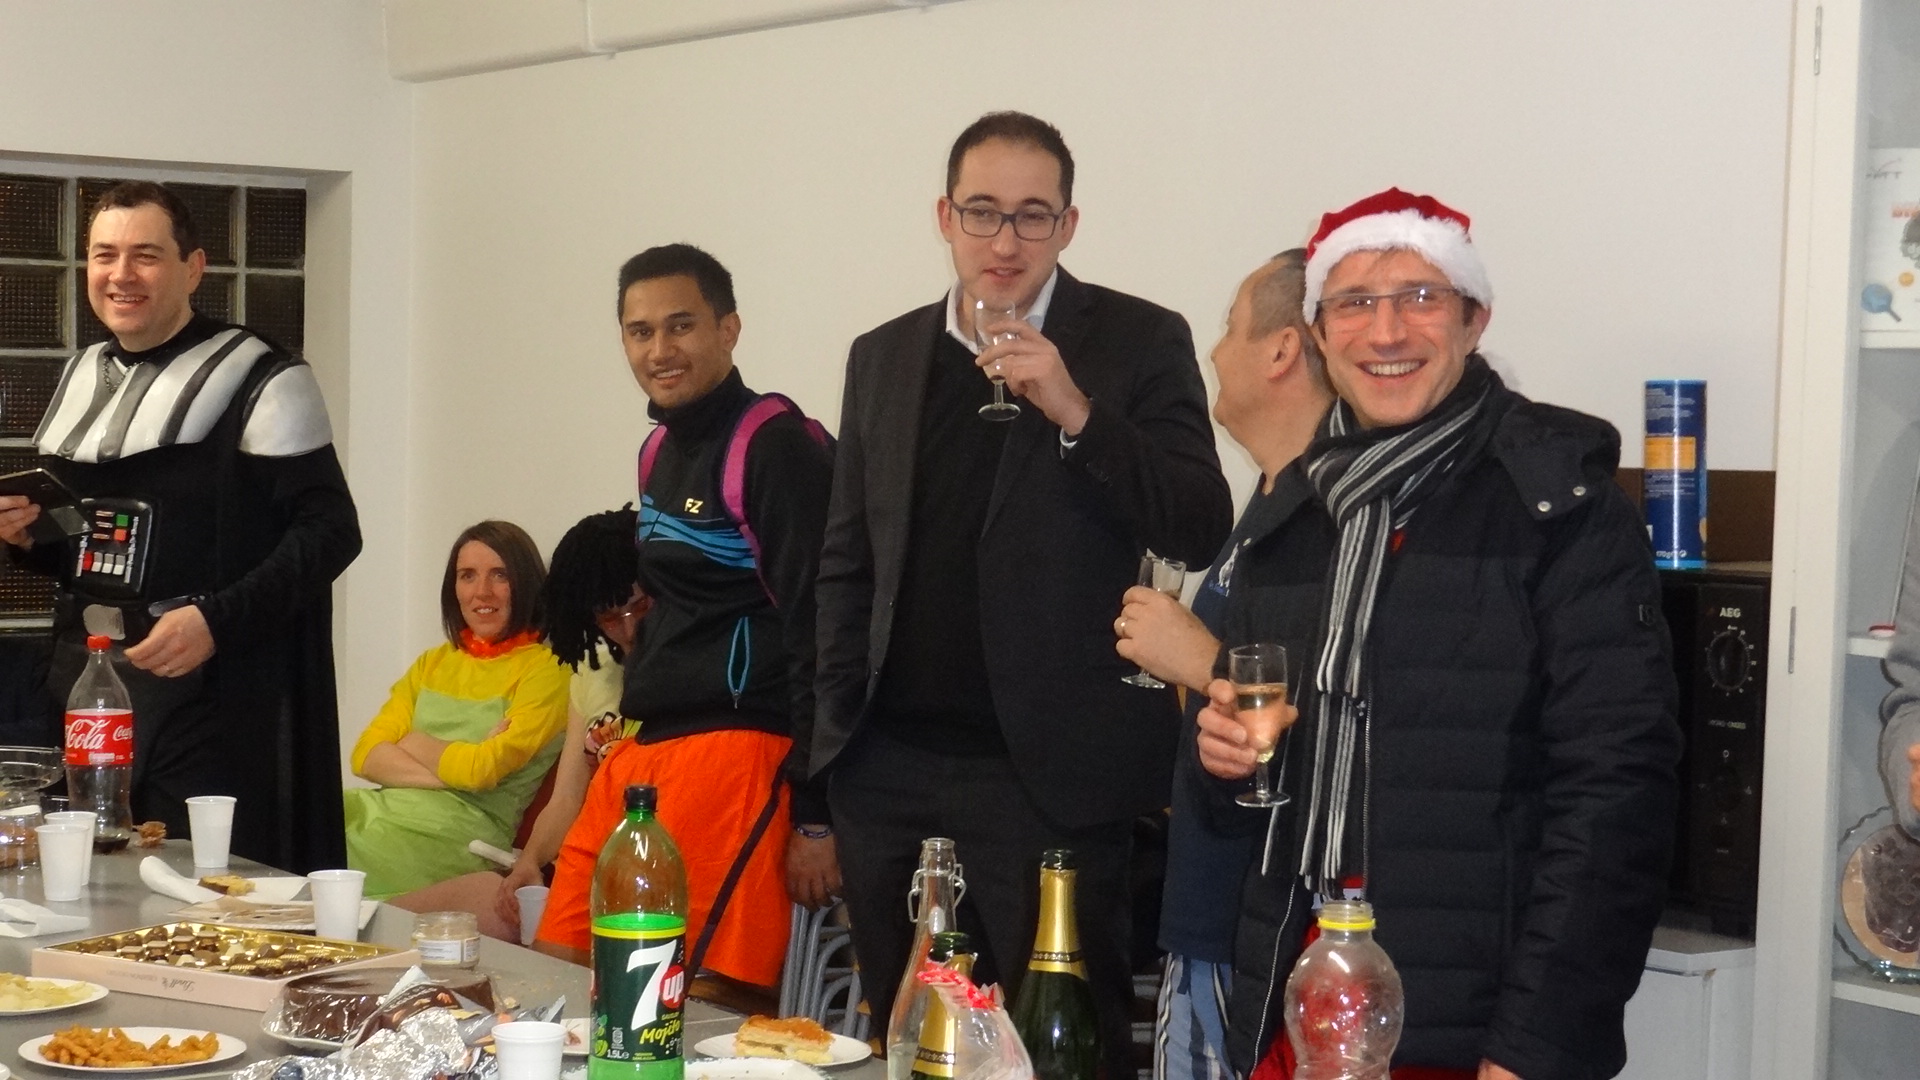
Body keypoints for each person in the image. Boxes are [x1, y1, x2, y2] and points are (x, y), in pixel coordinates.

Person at [1191, 189, 1681, 1080]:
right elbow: (1260, 807)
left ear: (1473, 319)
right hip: (1297, 1012)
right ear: (1318, 335)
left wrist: (1532, 1047)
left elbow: (1616, 799)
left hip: (1473, 1032)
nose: (1387, 332)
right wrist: (1225, 760)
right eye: (1354, 303)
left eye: (1421, 297)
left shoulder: (1559, 512)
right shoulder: (1293, 517)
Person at [812, 111, 1232, 1077]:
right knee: (914, 1046)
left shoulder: (1136, 339)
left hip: (1049, 780)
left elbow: (1197, 524)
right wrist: (837, 738)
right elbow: (846, 561)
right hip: (889, 770)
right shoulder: (883, 355)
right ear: (944, 217)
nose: (1005, 240)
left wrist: (1077, 411)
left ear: (1069, 225)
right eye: (983, 212)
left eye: (1033, 216)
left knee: (1060, 1052)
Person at [0, 181, 359, 873]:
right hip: (86, 686)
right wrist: (28, 539)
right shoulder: (83, 373)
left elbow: (331, 532)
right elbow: (94, 542)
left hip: (214, 701)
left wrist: (217, 620)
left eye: (146, 255)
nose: (121, 275)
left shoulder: (261, 375)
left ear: (193, 267)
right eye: (104, 255)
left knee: (202, 890)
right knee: (87, 884)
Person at [535, 244, 834, 996]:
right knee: (558, 972)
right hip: (643, 752)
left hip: (740, 758)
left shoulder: (774, 445)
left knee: (693, 1002)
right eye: (640, 332)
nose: (659, 350)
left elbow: (824, 631)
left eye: (681, 326)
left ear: (729, 329)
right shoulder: (656, 451)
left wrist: (817, 816)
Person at [1112, 251, 1333, 1080]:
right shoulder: (1270, 504)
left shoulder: (1330, 517)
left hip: (1258, 932)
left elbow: (1329, 722)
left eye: (1230, 327)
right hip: (1215, 910)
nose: (1213, 351)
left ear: (1280, 349)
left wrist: (1198, 659)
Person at [385, 507, 650, 941]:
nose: (628, 628)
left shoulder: (679, 675)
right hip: (589, 857)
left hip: (646, 855)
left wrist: (420, 748)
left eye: (639, 607)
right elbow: (566, 796)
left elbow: (484, 768)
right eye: (608, 616)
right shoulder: (591, 671)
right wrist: (529, 861)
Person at [345, 520, 570, 901]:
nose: (482, 591)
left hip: (456, 835)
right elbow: (364, 755)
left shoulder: (548, 670)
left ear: (526, 583)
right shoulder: (432, 662)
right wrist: (457, 774)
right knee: (296, 819)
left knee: (327, 863)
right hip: (381, 810)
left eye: (499, 575)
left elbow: (482, 770)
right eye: (468, 575)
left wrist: (411, 742)